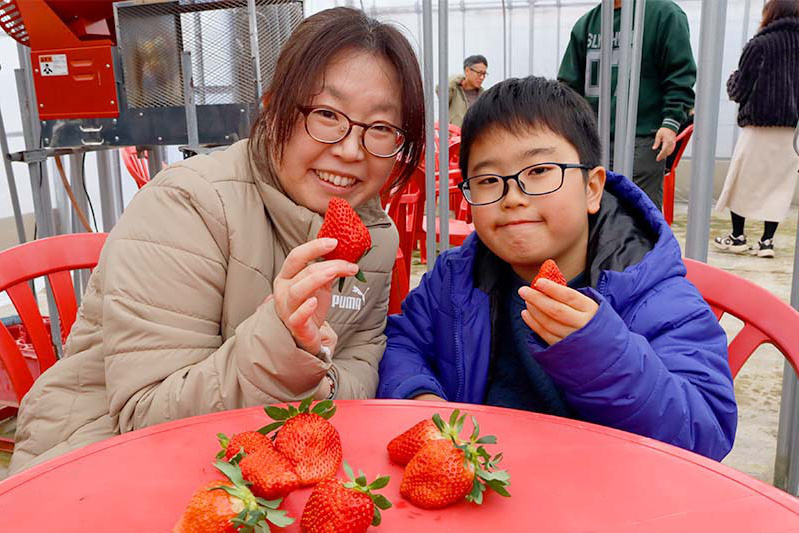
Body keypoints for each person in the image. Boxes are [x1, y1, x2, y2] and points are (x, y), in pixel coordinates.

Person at [9, 7, 424, 474]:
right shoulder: (188, 204)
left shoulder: (375, 237)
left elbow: (360, 364)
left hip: (263, 468)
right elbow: (147, 414)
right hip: (99, 459)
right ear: (273, 109)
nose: (351, 150)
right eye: (327, 114)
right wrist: (286, 351)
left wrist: (313, 377)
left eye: (382, 128)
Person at [378, 76, 737, 461]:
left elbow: (707, 430)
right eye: (487, 180)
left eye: (538, 171)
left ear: (592, 189)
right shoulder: (456, 277)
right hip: (482, 490)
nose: (512, 197)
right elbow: (403, 343)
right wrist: (422, 397)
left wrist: (603, 355)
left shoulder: (651, 290)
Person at [558, 0, 696, 209]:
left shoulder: (663, 14)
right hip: (594, 139)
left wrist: (670, 123)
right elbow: (568, 86)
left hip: (643, 137)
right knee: (595, 209)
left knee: (637, 213)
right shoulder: (587, 23)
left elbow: (679, 74)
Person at [713, 0, 799, 258]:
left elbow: (739, 89)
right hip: (790, 131)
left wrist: (731, 80)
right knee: (778, 185)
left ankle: (737, 236)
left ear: (770, 13)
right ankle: (766, 242)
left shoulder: (759, 44)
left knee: (742, 181)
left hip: (758, 125)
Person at [447, 55, 488, 128]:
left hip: (476, 138)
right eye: (479, 73)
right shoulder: (454, 91)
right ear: (467, 71)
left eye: (484, 74)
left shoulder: (485, 96)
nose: (482, 77)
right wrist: (459, 78)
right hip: (453, 137)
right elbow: (440, 90)